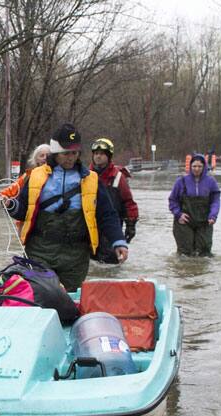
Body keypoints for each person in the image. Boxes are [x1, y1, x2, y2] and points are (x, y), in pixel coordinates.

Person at [7, 123, 129, 291]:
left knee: (69, 300)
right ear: (56, 152)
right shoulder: (35, 176)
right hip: (40, 251)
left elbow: (107, 215)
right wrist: (11, 205)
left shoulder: (92, 180)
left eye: (74, 153)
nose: (70, 157)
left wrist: (118, 241)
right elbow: (22, 212)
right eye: (66, 153)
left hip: (76, 256)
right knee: (41, 293)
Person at [89, 137, 139, 264]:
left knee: (110, 262)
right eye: (96, 154)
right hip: (90, 226)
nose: (98, 157)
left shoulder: (118, 177)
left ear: (109, 156)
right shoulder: (86, 175)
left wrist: (131, 224)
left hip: (111, 226)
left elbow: (129, 202)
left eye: (101, 154)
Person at [168, 153, 221, 256]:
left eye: (200, 166)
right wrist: (178, 214)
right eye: (194, 166)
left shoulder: (211, 182)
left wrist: (213, 215)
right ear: (190, 166)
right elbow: (172, 200)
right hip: (184, 222)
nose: (197, 169)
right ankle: (185, 271)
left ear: (204, 167)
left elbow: (215, 201)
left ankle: (201, 271)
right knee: (185, 253)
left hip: (205, 221)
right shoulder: (181, 182)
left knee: (204, 253)